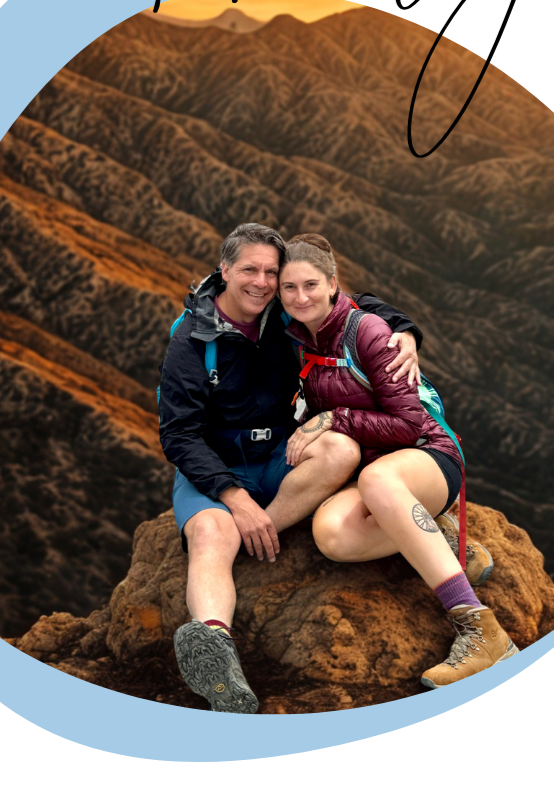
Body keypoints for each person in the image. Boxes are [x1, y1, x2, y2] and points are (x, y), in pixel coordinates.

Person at [158, 222, 424, 713]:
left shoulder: (284, 313)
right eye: (248, 270)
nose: (261, 282)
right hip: (216, 465)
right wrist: (234, 499)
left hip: (280, 452)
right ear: (223, 271)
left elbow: (349, 302)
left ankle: (260, 531)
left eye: (270, 273)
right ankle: (217, 654)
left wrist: (403, 330)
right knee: (212, 535)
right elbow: (178, 435)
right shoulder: (192, 338)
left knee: (340, 450)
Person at [279, 236, 518, 689]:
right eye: (288, 288)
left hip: (427, 455)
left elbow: (408, 425)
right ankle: (438, 540)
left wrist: (335, 417)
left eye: (310, 284)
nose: (300, 297)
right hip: (375, 470)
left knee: (378, 480)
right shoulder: (297, 336)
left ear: (333, 284)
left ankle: (481, 631)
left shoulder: (366, 330)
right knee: (333, 535)